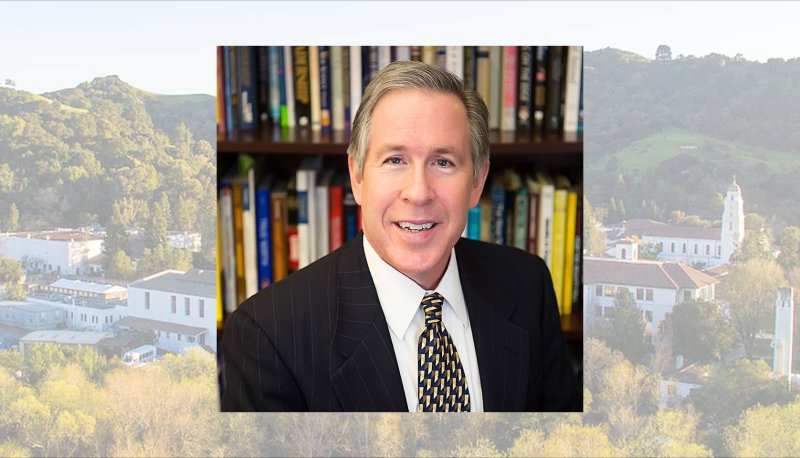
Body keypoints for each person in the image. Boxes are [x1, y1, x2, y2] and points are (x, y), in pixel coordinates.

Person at [220, 60, 580, 412]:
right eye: (395, 160)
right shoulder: (268, 336)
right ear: (358, 177)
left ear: (477, 182)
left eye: (443, 162)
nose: (418, 192)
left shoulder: (528, 283)